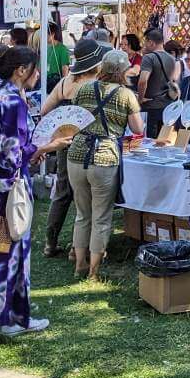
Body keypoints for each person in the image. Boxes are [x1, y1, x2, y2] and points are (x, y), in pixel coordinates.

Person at [0, 46, 69, 354]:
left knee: (14, 254)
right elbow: (12, 152)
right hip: (3, 194)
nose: (35, 75)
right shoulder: (12, 102)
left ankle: (15, 317)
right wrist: (48, 146)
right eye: (33, 70)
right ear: (21, 70)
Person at [67, 50, 144, 280]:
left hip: (77, 154)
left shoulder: (83, 89)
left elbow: (74, 115)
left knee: (82, 214)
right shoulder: (126, 95)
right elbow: (138, 128)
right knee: (101, 216)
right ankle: (93, 272)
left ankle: (79, 264)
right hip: (104, 157)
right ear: (122, 71)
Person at [39, 39, 109, 258]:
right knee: (86, 196)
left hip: (65, 143)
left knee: (62, 193)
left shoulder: (64, 83)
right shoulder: (97, 85)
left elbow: (44, 111)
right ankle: (78, 248)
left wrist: (60, 129)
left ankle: (50, 242)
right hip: (90, 146)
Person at [137, 28, 179, 137]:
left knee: (150, 142)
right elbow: (173, 79)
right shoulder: (171, 58)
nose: (144, 45)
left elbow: (143, 80)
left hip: (151, 106)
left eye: (145, 42)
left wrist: (140, 98)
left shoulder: (149, 58)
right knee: (164, 140)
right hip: (167, 105)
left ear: (151, 42)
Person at [46, 22, 71, 93]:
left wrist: (63, 88)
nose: (42, 37)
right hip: (46, 84)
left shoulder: (62, 49)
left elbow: (65, 71)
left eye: (45, 34)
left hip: (56, 86)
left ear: (52, 34)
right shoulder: (47, 48)